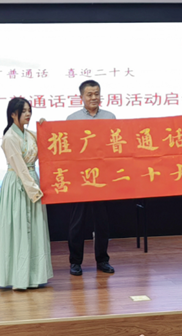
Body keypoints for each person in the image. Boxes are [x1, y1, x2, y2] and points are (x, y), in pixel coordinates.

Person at [0, 97, 53, 290]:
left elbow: (46, 146)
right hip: (18, 183)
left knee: (33, 227)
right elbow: (19, 166)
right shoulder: (10, 137)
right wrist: (34, 190)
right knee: (18, 228)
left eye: (29, 110)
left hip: (31, 180)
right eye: (23, 111)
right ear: (13, 114)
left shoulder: (29, 134)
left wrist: (46, 129)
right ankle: (18, 277)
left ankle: (34, 276)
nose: (28, 114)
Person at [67, 80, 116, 276]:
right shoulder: (72, 119)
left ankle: (103, 260)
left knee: (102, 223)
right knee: (77, 223)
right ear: (81, 97)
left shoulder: (110, 117)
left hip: (103, 178)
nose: (94, 97)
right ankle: (75, 262)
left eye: (97, 93)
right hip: (81, 178)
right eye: (89, 94)